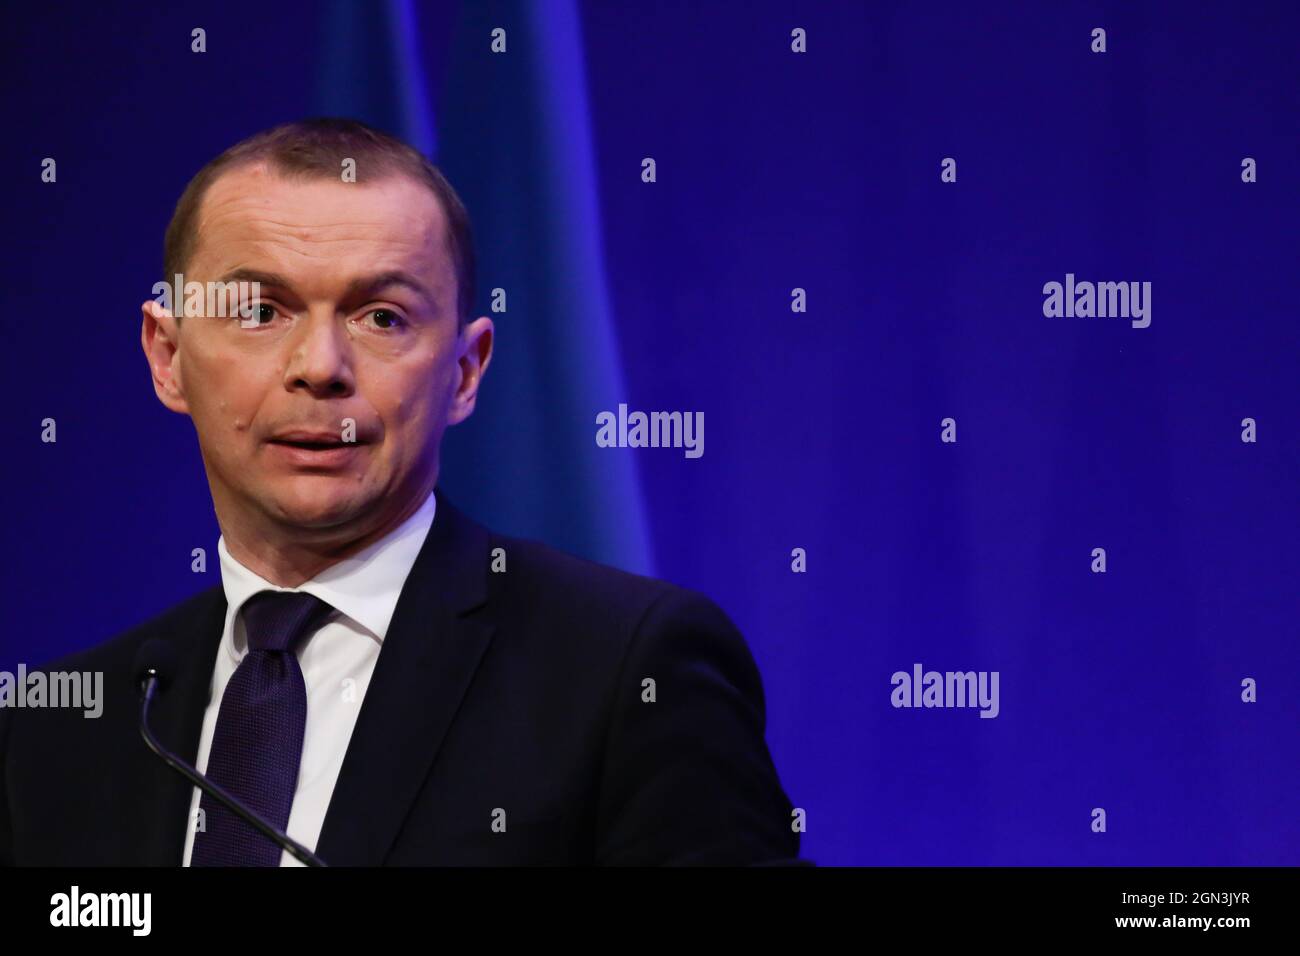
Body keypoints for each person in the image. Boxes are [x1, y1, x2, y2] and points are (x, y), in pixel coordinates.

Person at [0, 118, 802, 866]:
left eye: (381, 317)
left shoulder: (624, 672)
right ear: (166, 355)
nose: (320, 366)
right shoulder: (61, 726)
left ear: (465, 370)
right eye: (259, 310)